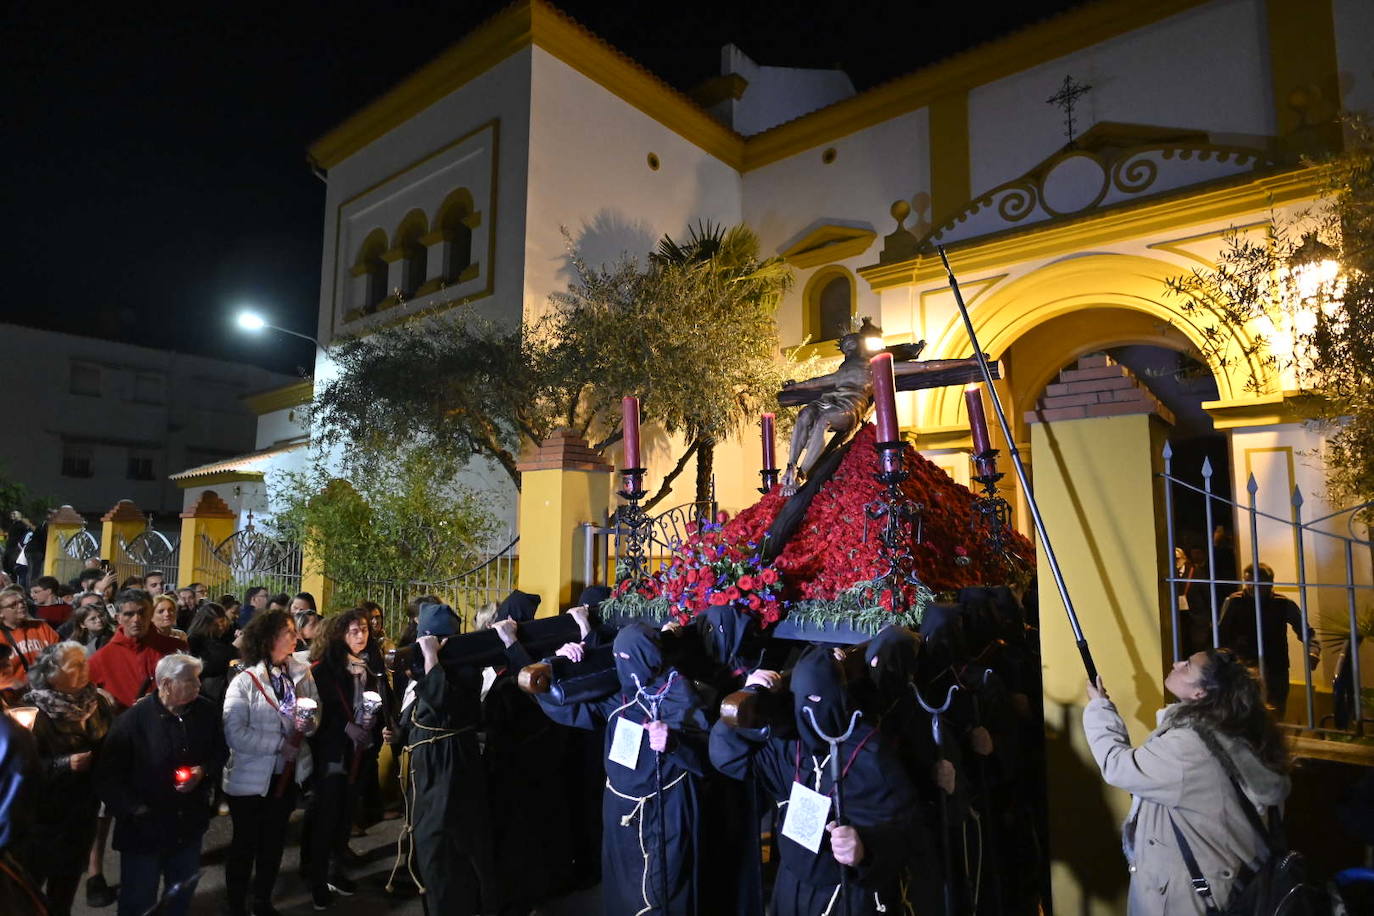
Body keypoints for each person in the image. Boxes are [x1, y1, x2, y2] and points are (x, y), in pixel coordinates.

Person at [709, 646, 918, 915]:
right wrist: (749, 693)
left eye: (817, 698)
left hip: (844, 892)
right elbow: (726, 756)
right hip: (792, 881)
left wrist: (865, 849)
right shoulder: (790, 745)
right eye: (801, 699)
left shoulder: (869, 754)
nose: (809, 708)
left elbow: (906, 831)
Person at [1083, 648, 1291, 914]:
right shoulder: (1237, 732)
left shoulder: (1189, 747)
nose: (1176, 663)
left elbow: (1117, 765)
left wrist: (1099, 708)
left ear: (1200, 693)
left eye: (1187, 666)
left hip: (1188, 897)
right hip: (1229, 885)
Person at [538, 622, 711, 915]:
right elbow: (572, 710)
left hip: (662, 811)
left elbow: (707, 760)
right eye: (618, 659)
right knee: (621, 890)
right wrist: (555, 669)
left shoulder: (681, 697)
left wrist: (674, 743)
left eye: (628, 659)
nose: (622, 666)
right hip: (619, 808)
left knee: (660, 893)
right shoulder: (622, 694)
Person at [95, 653, 227, 916]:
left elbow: (220, 750)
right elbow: (106, 777)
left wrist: (203, 771)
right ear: (166, 685)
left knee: (180, 893)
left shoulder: (206, 711)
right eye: (191, 681)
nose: (199, 687)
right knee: (138, 898)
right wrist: (136, 810)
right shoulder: (132, 722)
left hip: (188, 824)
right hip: (144, 831)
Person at [395, 602, 495, 914]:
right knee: (426, 837)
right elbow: (418, 704)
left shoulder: (465, 669)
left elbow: (440, 700)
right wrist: (400, 733)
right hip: (427, 761)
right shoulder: (428, 667)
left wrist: (431, 658)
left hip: (449, 762)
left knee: (443, 840)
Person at [221, 608, 319, 916]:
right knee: (244, 844)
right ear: (268, 638)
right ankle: (236, 904)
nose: (295, 636)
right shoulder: (244, 682)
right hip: (250, 780)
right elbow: (235, 733)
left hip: (285, 777)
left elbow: (316, 712)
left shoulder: (301, 673)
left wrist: (308, 725)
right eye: (288, 631)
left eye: (294, 630)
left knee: (273, 843)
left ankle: (263, 900)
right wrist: (279, 745)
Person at [305, 609, 392, 910]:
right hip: (333, 754)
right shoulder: (324, 668)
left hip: (360, 751)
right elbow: (320, 710)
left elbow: (382, 702)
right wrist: (347, 727)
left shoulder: (372, 665)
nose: (361, 635)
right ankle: (316, 879)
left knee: (345, 814)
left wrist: (381, 727)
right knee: (326, 815)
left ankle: (335, 869)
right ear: (339, 634)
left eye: (364, 630)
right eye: (353, 630)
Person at [24, 641, 117, 916]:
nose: (84, 667)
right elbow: (21, 768)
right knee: (29, 893)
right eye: (74, 664)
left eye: (84, 662)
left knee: (64, 891)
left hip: (81, 814)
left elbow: (109, 746)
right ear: (51, 672)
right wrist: (64, 764)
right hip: (41, 821)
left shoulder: (97, 702)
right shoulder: (32, 711)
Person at [1217, 563, 1319, 717]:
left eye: (1256, 582)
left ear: (1269, 583)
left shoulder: (1283, 603)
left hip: (1275, 664)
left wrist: (1313, 651)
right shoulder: (1234, 602)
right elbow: (1221, 635)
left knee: (1276, 710)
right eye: (1248, 582)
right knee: (1244, 711)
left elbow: (1306, 632)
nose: (1251, 587)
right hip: (1244, 665)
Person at [88, 589, 184, 711]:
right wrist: (96, 693)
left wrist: (162, 698)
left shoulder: (177, 649)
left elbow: (192, 689)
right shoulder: (101, 658)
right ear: (118, 618)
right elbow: (77, 691)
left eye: (142, 612)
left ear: (151, 613)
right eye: (129, 614)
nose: (136, 619)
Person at [0, 586, 60, 700]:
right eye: (13, 605)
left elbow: (61, 656)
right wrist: (8, 683)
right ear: (1, 613)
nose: (21, 606)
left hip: (48, 694)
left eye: (22, 602)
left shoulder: (41, 627)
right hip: (14, 701)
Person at [187, 603, 240, 706]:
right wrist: (234, 647)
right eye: (219, 623)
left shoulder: (226, 636)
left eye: (223, 621)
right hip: (208, 693)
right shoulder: (195, 640)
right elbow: (208, 665)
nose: (222, 626)